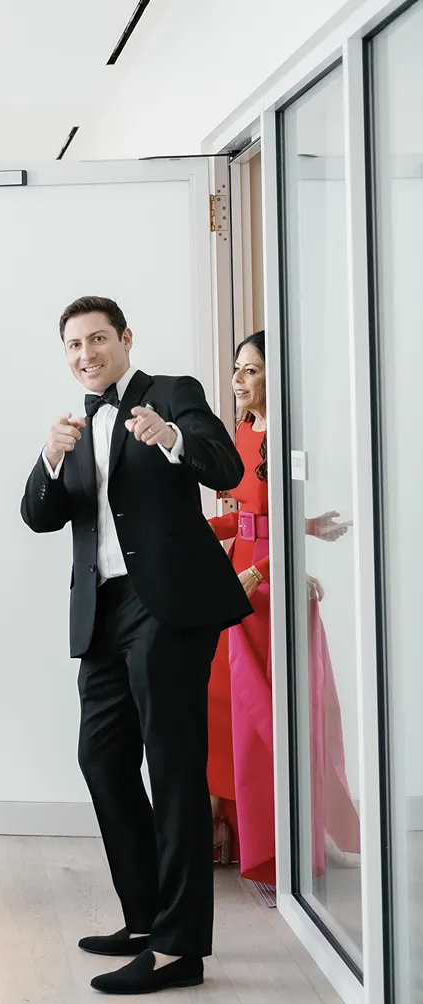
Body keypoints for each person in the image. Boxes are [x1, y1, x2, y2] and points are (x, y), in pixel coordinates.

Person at [21, 295, 250, 995]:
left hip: (169, 607)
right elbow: (37, 516)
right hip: (103, 612)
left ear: (124, 338)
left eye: (96, 339)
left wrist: (170, 439)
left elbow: (224, 469)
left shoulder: (171, 394)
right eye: (72, 346)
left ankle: (180, 950)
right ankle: (147, 918)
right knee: (101, 756)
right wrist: (48, 459)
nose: (85, 354)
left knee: (172, 766)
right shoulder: (72, 423)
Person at [207, 331, 359, 882]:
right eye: (237, 370)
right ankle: (232, 831)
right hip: (238, 579)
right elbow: (247, 518)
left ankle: (283, 851)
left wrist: (274, 567)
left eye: (250, 370)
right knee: (221, 707)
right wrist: (186, 531)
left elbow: (282, 522)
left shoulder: (292, 441)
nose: (238, 381)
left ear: (278, 375)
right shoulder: (244, 434)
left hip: (265, 587)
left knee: (269, 718)